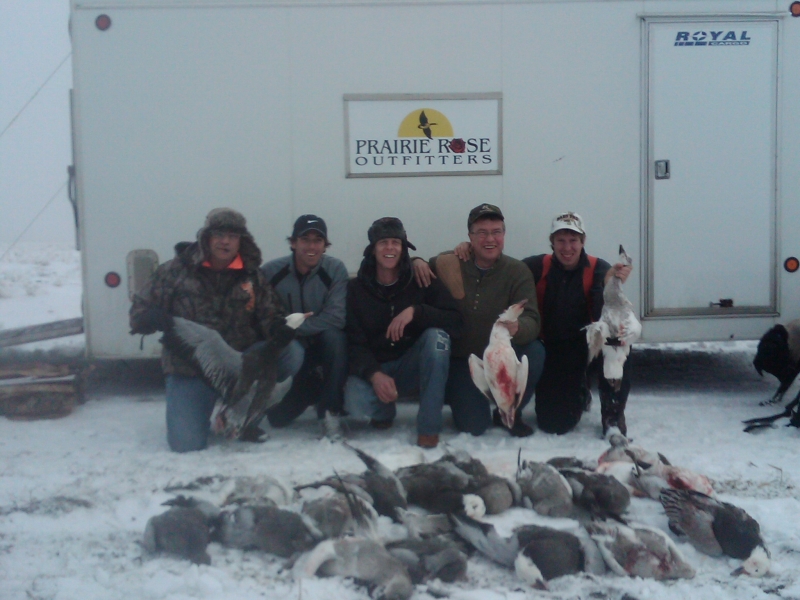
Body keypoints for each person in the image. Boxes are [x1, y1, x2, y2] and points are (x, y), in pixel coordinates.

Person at [129, 208, 302, 452]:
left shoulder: (252, 276)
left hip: (239, 368)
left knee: (291, 352)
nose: (225, 241)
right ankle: (204, 407)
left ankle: (245, 418)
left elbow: (269, 315)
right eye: (219, 234)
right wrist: (152, 318)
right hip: (191, 368)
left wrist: (278, 328)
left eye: (232, 235)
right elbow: (137, 315)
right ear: (206, 237)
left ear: (241, 240)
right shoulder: (174, 271)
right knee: (185, 443)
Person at [412, 204, 545, 437]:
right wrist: (417, 261)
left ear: (504, 235)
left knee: (534, 351)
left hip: (501, 357)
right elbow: (422, 265)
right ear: (470, 237)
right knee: (474, 426)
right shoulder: (451, 262)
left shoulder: (517, 271)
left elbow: (533, 319)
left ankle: (510, 411)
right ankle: (469, 401)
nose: (490, 239)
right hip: (465, 360)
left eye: (496, 232)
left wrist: (518, 327)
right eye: (481, 233)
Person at [344, 217, 463, 448]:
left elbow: (456, 321)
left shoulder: (421, 279)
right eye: (383, 243)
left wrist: (416, 312)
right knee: (353, 400)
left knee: (437, 338)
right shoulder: (355, 290)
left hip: (412, 366)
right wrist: (374, 374)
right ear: (373, 249)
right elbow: (353, 342)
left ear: (404, 248)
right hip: (377, 368)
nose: (390, 248)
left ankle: (429, 429)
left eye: (395, 243)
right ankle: (384, 411)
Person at [522, 211, 633, 436]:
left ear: (583, 242)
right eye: (560, 240)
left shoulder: (599, 268)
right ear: (551, 243)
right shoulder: (535, 267)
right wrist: (467, 248)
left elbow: (607, 312)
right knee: (553, 424)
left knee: (618, 342)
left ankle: (612, 414)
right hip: (553, 349)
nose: (567, 247)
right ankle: (579, 390)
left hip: (588, 346)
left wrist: (610, 284)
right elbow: (498, 268)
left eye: (573, 240)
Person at [261, 215, 349, 439]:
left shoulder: (335, 269)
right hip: (291, 352)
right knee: (277, 419)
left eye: (318, 240)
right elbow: (261, 316)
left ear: (325, 245)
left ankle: (330, 412)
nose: (311, 246)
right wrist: (279, 330)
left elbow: (336, 318)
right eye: (305, 239)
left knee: (335, 338)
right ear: (293, 243)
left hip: (323, 348)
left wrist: (294, 326)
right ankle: (311, 388)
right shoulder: (271, 272)